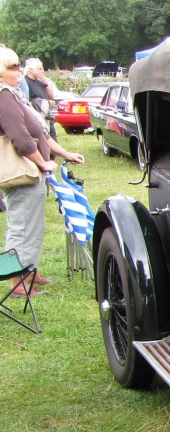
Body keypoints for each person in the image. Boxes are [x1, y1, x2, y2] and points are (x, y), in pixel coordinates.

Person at [0, 46, 85, 296]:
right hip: (22, 174)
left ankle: (29, 270)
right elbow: (22, 139)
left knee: (31, 225)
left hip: (31, 176)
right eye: (12, 66)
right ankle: (17, 281)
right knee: (22, 226)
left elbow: (41, 133)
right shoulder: (4, 97)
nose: (19, 70)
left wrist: (65, 154)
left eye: (18, 65)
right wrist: (43, 162)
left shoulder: (13, 94)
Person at [23, 57, 57, 139]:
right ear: (31, 70)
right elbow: (27, 102)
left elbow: (52, 97)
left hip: (48, 119)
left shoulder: (40, 82)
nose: (42, 71)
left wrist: (45, 83)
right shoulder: (25, 83)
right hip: (38, 120)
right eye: (39, 69)